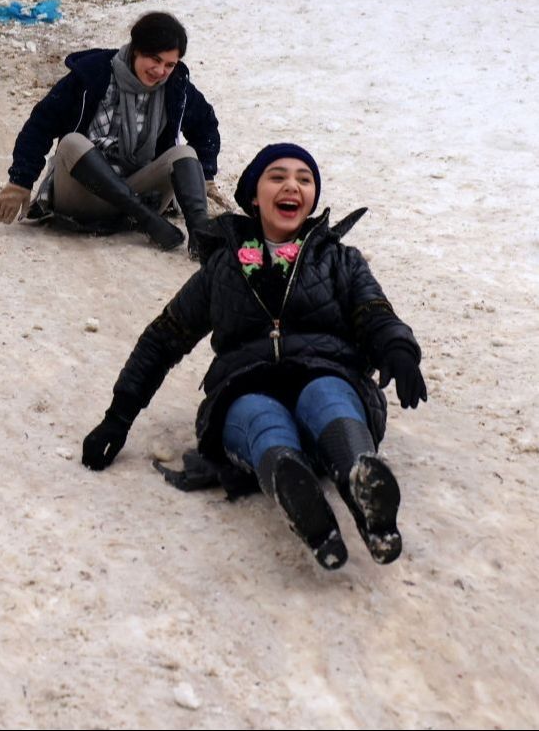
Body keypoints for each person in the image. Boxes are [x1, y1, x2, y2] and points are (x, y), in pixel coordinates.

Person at [82, 143, 427, 570]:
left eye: (305, 179)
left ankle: (361, 476)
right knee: (255, 412)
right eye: (278, 176)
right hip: (243, 384)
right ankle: (297, 493)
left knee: (326, 395)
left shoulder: (338, 260)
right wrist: (119, 414)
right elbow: (165, 337)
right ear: (253, 196)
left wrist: (398, 349)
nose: (292, 186)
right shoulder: (223, 268)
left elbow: (373, 311)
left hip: (328, 372)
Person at [0, 12, 224, 256]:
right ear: (136, 49)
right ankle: (145, 220)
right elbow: (41, 123)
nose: (160, 71)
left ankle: (201, 236)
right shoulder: (94, 75)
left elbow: (205, 125)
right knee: (72, 143)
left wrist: (204, 175)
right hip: (81, 196)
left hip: (137, 189)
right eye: (154, 59)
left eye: (170, 64)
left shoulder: (176, 88)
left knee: (184, 152)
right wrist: (20, 181)